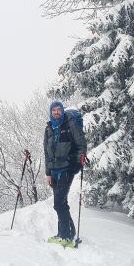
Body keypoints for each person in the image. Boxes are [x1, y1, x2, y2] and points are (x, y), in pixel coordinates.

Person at [44, 100, 86, 245]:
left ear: (62, 111)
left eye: (59, 110)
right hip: (54, 171)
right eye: (54, 110)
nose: (56, 112)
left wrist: (78, 163)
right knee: (62, 202)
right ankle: (66, 232)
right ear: (51, 112)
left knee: (58, 204)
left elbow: (81, 145)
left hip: (67, 168)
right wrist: (48, 173)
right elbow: (46, 153)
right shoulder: (49, 128)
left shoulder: (70, 124)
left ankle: (66, 237)